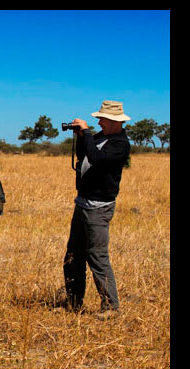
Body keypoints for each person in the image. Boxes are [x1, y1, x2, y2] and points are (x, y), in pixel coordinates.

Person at [63, 100, 131, 320]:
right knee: (73, 255)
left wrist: (87, 132)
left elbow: (96, 158)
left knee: (97, 256)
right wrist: (82, 137)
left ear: (114, 121)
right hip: (83, 202)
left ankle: (111, 306)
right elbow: (85, 154)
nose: (99, 122)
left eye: (102, 119)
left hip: (99, 207)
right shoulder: (101, 137)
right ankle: (73, 302)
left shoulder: (120, 144)